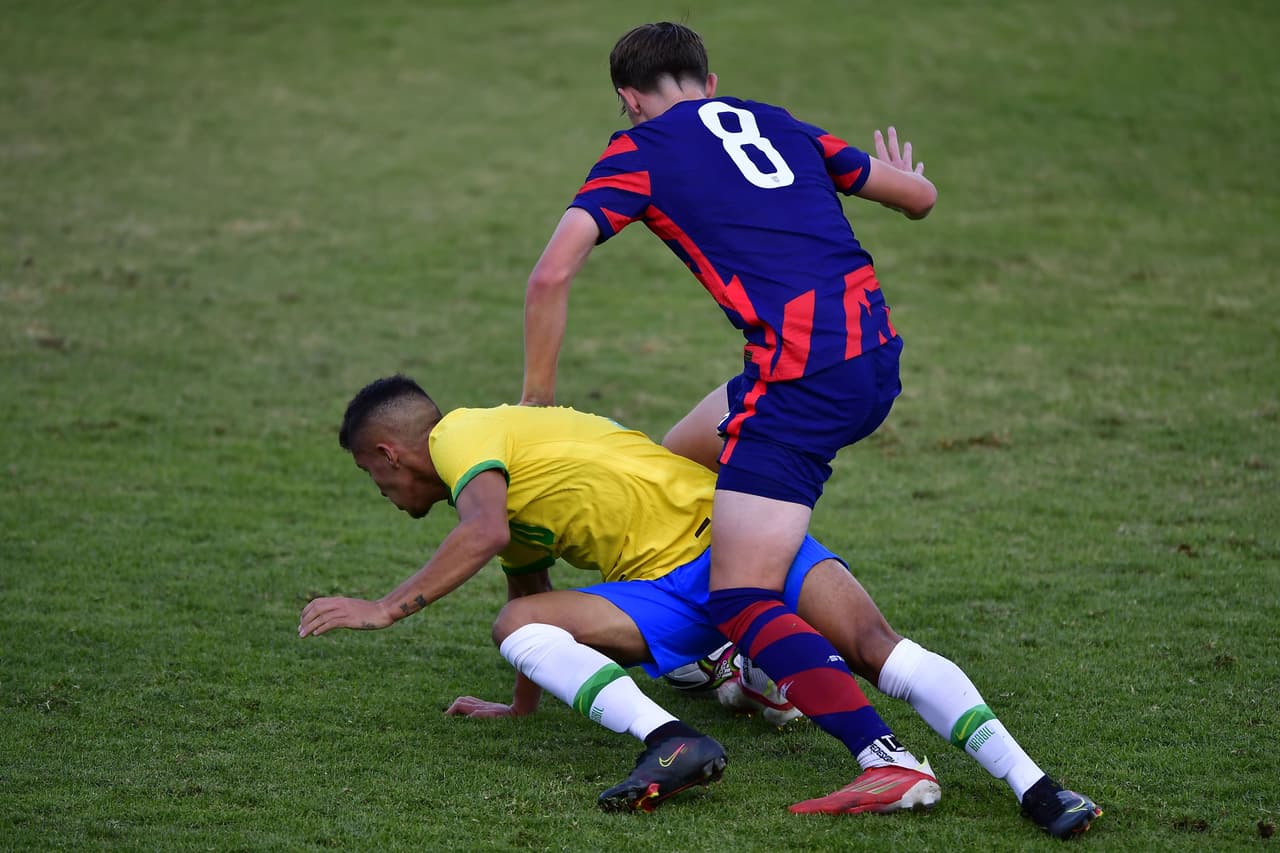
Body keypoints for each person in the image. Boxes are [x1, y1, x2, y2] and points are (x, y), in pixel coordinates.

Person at [300, 376, 1100, 838]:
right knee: (875, 644)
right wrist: (520, 706)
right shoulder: (501, 468)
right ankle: (1038, 790)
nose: (389, 495)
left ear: (391, 451)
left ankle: (702, 715)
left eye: (380, 482)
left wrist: (385, 606)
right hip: (740, 535)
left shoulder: (461, 436)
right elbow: (528, 588)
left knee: (871, 642)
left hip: (719, 548)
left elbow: (485, 530)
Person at [520, 21, 945, 810]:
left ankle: (875, 749)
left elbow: (550, 275)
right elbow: (916, 198)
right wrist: (895, 173)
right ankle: (741, 661)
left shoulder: (636, 151)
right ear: (708, 82)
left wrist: (537, 401)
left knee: (740, 592)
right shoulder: (777, 120)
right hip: (872, 356)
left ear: (628, 98)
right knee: (674, 464)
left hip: (802, 381)